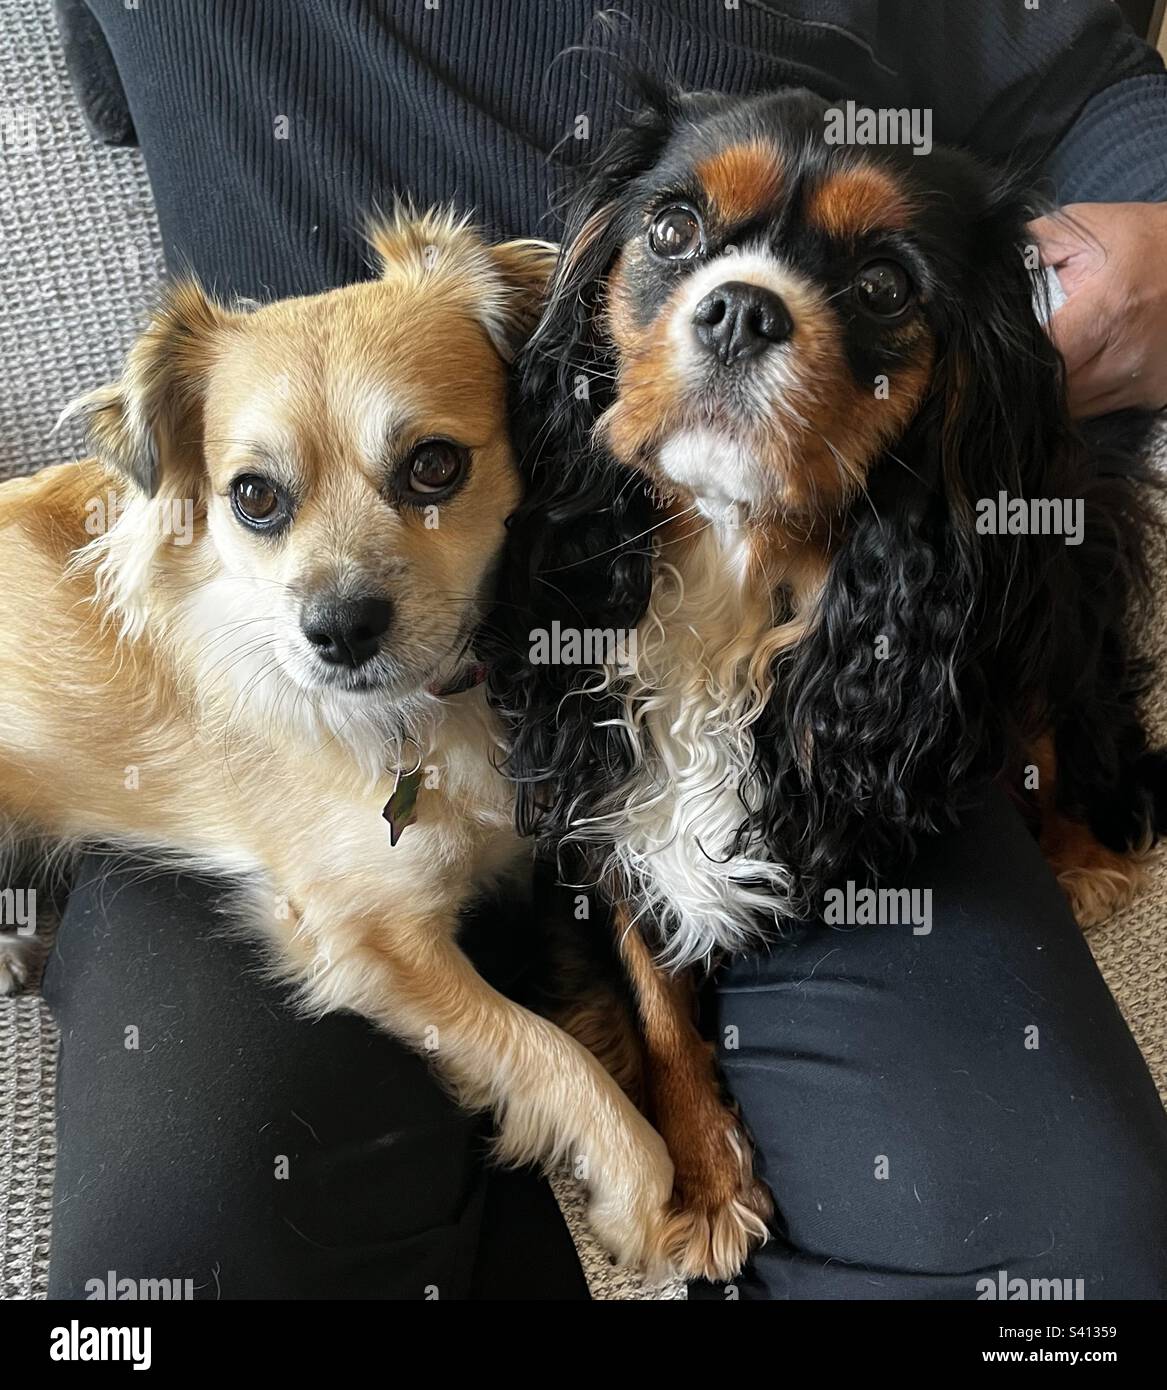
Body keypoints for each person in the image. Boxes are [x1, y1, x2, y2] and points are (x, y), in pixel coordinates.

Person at [38, 0, 1167, 1299]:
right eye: (682, 234)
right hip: (270, 705)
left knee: (1072, 1265)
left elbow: (1082, 87)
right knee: (175, 1267)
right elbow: (111, 87)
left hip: (793, 663)